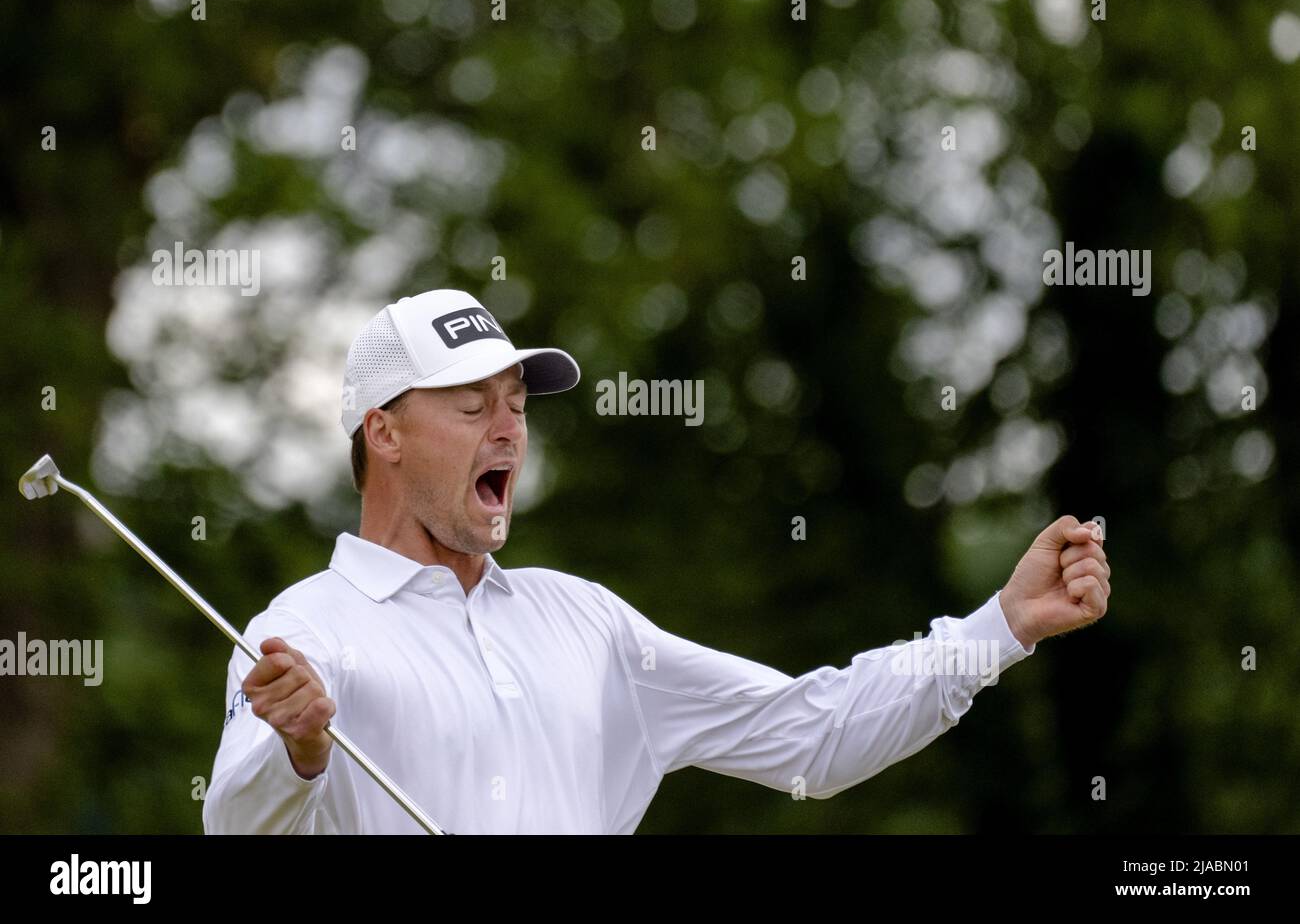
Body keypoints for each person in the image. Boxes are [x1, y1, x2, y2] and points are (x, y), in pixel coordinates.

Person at [202, 288, 1111, 834]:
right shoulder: (305, 629)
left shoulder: (585, 621)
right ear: (385, 432)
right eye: (472, 407)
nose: (511, 427)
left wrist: (1003, 626)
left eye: (517, 403)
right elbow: (234, 828)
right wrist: (303, 750)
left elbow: (816, 735)